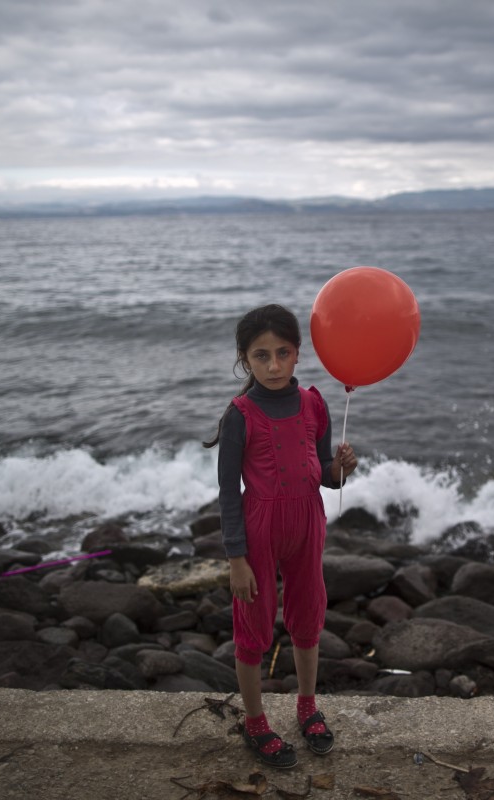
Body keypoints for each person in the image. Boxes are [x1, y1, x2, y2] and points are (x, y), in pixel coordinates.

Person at [203, 304, 358, 769]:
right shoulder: (240, 415)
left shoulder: (315, 403)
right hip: (259, 529)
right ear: (244, 359)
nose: (273, 365)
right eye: (261, 355)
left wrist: (340, 469)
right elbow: (228, 491)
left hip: (308, 522)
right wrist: (236, 558)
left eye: (283, 353)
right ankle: (255, 722)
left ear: (297, 353)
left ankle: (307, 706)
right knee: (253, 626)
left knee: (308, 615)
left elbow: (325, 475)